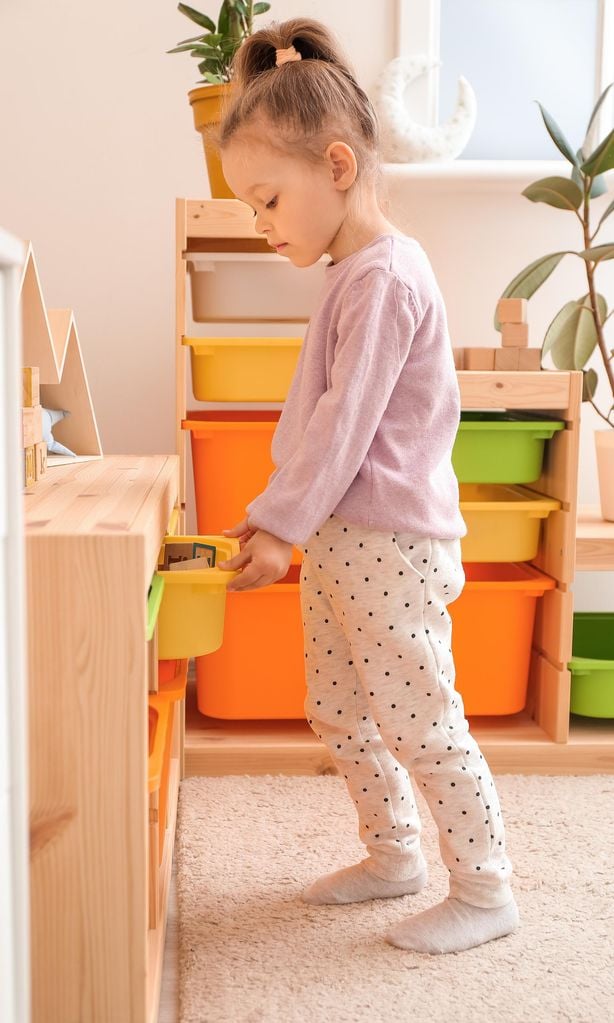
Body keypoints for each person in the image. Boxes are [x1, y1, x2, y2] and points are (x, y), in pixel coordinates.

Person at [216, 17, 519, 955]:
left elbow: (345, 427)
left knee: (421, 718)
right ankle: (394, 854)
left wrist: (278, 521)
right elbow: (322, 422)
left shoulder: (386, 277)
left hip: (389, 540)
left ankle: (486, 885)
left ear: (337, 167)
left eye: (268, 200)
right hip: (346, 540)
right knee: (341, 709)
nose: (262, 225)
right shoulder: (353, 273)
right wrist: (282, 517)